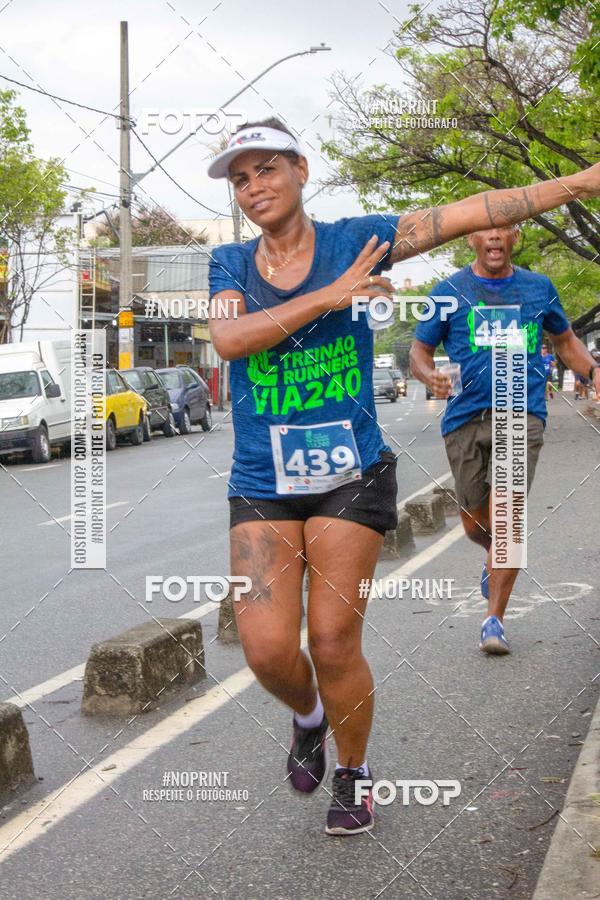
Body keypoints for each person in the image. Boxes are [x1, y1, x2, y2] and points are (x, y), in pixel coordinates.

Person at [207, 118, 600, 834]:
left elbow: (472, 212)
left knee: (331, 641)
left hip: (349, 475)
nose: (254, 186)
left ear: (299, 169)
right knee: (265, 648)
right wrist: (330, 298)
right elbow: (229, 339)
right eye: (240, 178)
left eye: (267, 169)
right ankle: (308, 715)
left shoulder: (359, 240)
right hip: (262, 479)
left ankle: (353, 776)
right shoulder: (230, 264)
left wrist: (578, 182)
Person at [410, 224, 600, 655]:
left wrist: (592, 371)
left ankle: (493, 619)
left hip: (521, 414)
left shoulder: (538, 288)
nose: (494, 238)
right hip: (464, 417)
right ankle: (491, 555)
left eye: (502, 231)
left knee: (507, 521)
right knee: (477, 523)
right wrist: (429, 375)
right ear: (471, 240)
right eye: (484, 232)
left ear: (515, 238)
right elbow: (419, 352)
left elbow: (566, 339)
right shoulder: (448, 291)